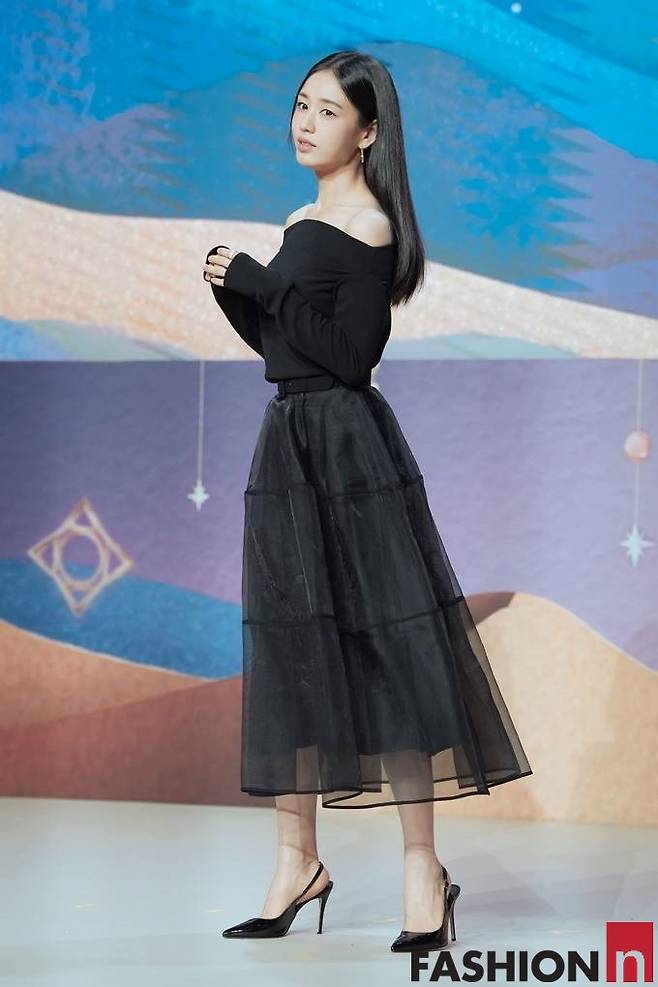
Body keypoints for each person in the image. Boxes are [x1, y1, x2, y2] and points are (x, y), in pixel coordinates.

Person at [202, 50, 533, 953]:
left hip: (349, 450)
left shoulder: (371, 225)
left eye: (326, 111)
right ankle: (295, 861)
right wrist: (239, 293)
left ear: (368, 131)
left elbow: (350, 358)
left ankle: (424, 869)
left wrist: (263, 282)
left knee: (389, 648)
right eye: (300, 106)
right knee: (293, 647)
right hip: (289, 440)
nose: (304, 122)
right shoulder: (301, 219)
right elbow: (287, 349)